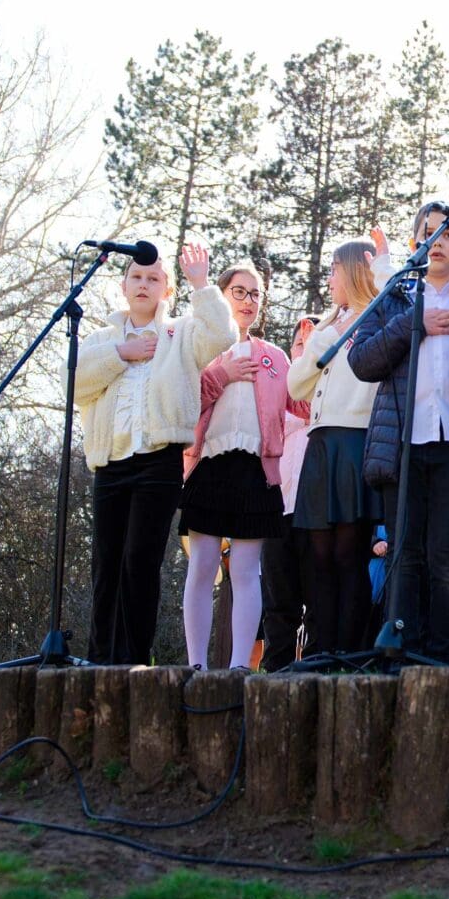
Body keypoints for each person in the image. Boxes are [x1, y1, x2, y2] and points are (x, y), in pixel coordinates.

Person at [349, 204, 449, 665]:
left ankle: (443, 657)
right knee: (404, 554)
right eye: (429, 233)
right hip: (402, 446)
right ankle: (403, 651)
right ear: (416, 243)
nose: (438, 242)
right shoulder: (395, 295)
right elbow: (361, 362)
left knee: (448, 557)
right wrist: (413, 325)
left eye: (447, 235)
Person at [75, 242, 234, 665]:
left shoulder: (179, 333)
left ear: (167, 290)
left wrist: (201, 284)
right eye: (136, 277)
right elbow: (76, 384)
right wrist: (120, 355)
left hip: (158, 462)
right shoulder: (101, 339)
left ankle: (132, 659)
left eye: (154, 278)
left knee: (139, 561)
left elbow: (222, 336)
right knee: (105, 564)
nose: (144, 284)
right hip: (110, 464)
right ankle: (99, 659)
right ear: (123, 286)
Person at [178, 265, 302, 671]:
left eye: (255, 294)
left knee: (247, 571)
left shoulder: (274, 357)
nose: (248, 301)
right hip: (210, 464)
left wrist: (314, 357)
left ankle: (239, 667)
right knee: (203, 566)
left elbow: (301, 403)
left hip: (257, 470)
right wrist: (222, 374)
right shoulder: (202, 347)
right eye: (239, 291)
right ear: (222, 295)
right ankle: (196, 664)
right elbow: (182, 403)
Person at [287, 238, 383, 655]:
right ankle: (322, 649)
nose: (329, 280)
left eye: (334, 270)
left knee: (349, 552)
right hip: (322, 443)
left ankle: (351, 649)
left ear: (354, 271)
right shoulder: (326, 326)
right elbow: (295, 385)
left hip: (356, 439)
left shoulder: (378, 317)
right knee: (318, 553)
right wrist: (326, 339)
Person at [262, 316, 317, 670]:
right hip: (277, 506)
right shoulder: (275, 389)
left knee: (318, 599)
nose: (303, 350)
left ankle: (314, 667)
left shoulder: (331, 388)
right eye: (299, 344)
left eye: (310, 344)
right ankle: (275, 670)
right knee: (278, 600)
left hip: (316, 511)